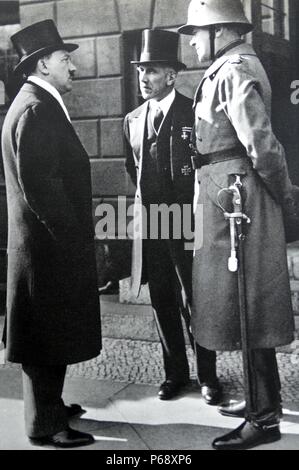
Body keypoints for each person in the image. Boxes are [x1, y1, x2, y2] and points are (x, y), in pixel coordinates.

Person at [178, 0, 295, 450]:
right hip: (226, 197)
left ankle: (263, 419)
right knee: (239, 306)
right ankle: (258, 405)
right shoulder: (228, 66)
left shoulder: (234, 69)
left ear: (220, 31)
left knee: (249, 306)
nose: (191, 41)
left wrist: (283, 198)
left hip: (238, 204)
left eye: (196, 32)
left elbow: (261, 145)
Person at [1, 20, 102, 448]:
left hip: (43, 246)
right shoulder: (37, 109)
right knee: (44, 337)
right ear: (43, 64)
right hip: (49, 248)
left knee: (49, 330)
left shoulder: (36, 101)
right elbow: (43, 190)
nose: (73, 67)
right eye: (65, 59)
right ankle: (46, 424)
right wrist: (76, 240)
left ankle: (50, 406)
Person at [124, 29, 221, 404]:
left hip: (187, 223)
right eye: (140, 70)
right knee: (161, 299)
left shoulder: (192, 113)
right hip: (152, 225)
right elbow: (132, 170)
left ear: (171, 75)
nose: (144, 78)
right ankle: (175, 374)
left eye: (152, 70)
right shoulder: (132, 120)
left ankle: (208, 375)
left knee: (197, 301)